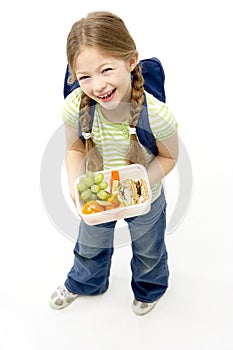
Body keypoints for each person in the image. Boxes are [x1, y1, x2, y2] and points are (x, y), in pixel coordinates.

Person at [49, 11, 178, 316]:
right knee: (90, 245)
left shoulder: (156, 114)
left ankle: (150, 288)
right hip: (98, 196)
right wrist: (74, 181)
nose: (97, 85)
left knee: (149, 251)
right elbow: (74, 146)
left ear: (131, 61)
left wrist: (142, 183)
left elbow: (169, 156)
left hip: (146, 196)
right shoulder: (74, 107)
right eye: (85, 76)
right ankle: (85, 283)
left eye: (106, 69)